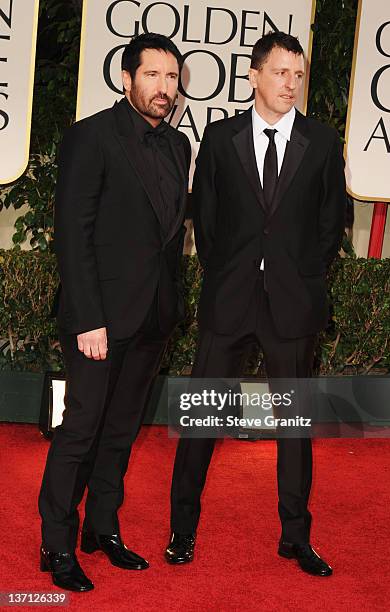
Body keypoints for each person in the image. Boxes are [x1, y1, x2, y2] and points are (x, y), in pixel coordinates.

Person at [165, 31, 346, 577]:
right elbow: (208, 218)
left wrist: (299, 275)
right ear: (254, 75)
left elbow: (330, 221)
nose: (290, 84)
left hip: (292, 306)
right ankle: (182, 529)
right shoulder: (220, 138)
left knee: (295, 428)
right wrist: (232, 272)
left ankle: (296, 536)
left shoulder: (321, 140)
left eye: (298, 75)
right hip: (230, 300)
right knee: (201, 420)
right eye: (280, 73)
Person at [39, 33, 191, 592]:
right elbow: (72, 236)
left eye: (171, 78)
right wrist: (87, 318)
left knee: (121, 432)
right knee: (80, 429)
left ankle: (101, 527)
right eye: (152, 76)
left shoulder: (177, 148)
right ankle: (55, 542)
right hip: (98, 319)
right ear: (126, 80)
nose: (163, 88)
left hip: (152, 318)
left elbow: (167, 239)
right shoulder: (91, 137)